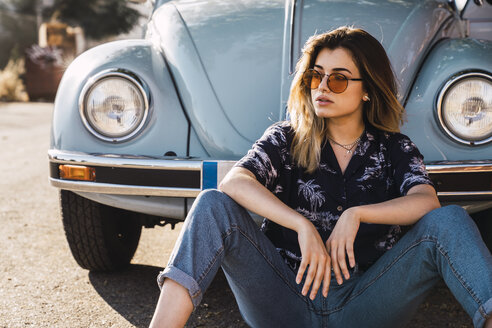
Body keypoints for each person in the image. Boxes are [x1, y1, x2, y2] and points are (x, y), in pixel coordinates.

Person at [149, 26, 492, 328]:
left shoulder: (394, 148)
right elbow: (234, 182)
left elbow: (425, 200)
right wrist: (302, 225)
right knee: (212, 204)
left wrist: (356, 214)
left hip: (367, 302)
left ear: (367, 89)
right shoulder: (286, 138)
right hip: (283, 302)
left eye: (339, 78)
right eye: (317, 75)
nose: (323, 86)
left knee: (450, 219)